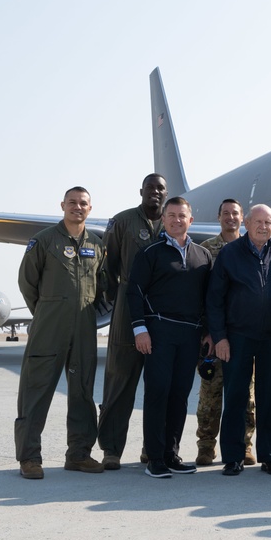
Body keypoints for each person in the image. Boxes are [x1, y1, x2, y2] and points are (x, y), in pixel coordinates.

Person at [15, 186, 107, 479]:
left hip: (84, 327)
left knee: (82, 391)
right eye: (72, 203)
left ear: (90, 209)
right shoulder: (43, 240)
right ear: (62, 206)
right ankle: (29, 458)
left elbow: (102, 286)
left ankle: (79, 455)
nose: (77, 207)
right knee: (36, 390)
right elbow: (27, 282)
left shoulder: (97, 244)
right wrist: (46, 312)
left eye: (83, 204)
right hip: (49, 327)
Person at [207, 204, 271, 477]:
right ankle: (232, 457)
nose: (263, 226)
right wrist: (220, 337)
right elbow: (215, 299)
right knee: (235, 397)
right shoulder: (229, 254)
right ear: (246, 223)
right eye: (258, 221)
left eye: (268, 222)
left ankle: (270, 456)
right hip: (238, 337)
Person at [128, 197, 213, 478]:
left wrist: (209, 332)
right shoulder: (150, 253)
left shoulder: (203, 256)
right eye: (172, 215)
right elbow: (135, 292)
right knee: (158, 393)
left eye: (182, 216)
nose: (177, 220)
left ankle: (171, 454)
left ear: (191, 220)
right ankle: (155, 457)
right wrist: (140, 329)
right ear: (163, 219)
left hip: (190, 335)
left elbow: (209, 299)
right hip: (159, 332)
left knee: (179, 396)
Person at [98, 173, 167, 470]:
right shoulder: (122, 221)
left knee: (160, 386)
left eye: (160, 188)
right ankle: (111, 449)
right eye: (150, 187)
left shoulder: (172, 222)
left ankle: (152, 448)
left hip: (163, 312)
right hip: (128, 309)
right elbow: (107, 266)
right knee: (119, 381)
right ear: (141, 191)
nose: (155, 192)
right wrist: (119, 301)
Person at [195, 199, 256, 467]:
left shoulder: (253, 248)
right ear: (218, 217)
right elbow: (202, 295)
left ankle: (245, 446)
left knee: (246, 394)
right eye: (226, 213)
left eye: (235, 213)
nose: (231, 217)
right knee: (210, 392)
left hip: (244, 333)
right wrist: (208, 332)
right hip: (215, 334)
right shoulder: (206, 250)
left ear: (242, 218)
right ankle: (206, 446)